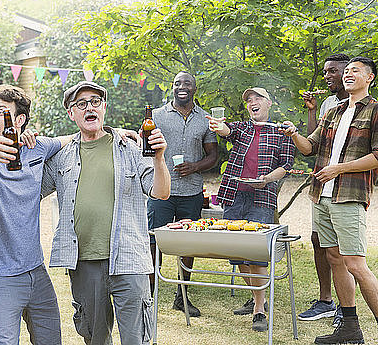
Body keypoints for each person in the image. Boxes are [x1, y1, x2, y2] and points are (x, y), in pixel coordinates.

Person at [41, 81, 171, 344]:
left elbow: (161, 192)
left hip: (130, 259)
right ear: (71, 113)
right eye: (81, 104)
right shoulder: (61, 157)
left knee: (137, 338)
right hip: (83, 261)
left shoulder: (132, 149)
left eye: (95, 102)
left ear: (104, 108)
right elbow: (30, 191)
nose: (89, 108)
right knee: (95, 338)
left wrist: (159, 158)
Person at [0, 84, 73, 345]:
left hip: (36, 271)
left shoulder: (35, 147)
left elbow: (72, 139)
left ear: (19, 120)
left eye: (0, 112)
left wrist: (116, 131)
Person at [282, 57, 378, 344]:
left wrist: (339, 169)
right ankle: (350, 328)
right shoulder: (333, 112)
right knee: (335, 258)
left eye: (355, 71)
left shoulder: (375, 111)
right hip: (321, 196)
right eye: (346, 71)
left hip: (348, 195)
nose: (348, 75)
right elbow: (310, 147)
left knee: (356, 264)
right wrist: (294, 134)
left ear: (370, 78)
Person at [207, 87, 295, 332]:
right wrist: (218, 125)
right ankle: (259, 295)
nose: (252, 103)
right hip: (234, 195)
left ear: (269, 104)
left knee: (256, 254)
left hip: (261, 198)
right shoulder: (243, 127)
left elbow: (286, 165)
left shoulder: (281, 132)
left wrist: (266, 179)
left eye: (257, 99)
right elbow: (226, 130)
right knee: (236, 254)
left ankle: (258, 310)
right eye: (249, 100)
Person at [147, 71, 218, 317]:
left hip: (191, 192)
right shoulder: (156, 116)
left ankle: (182, 295)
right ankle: (150, 295)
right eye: (177, 83)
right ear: (172, 88)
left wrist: (195, 167)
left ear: (194, 89)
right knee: (154, 242)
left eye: (187, 83)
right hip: (161, 193)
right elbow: (144, 151)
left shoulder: (204, 120)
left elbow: (213, 156)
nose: (182, 87)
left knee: (188, 245)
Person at [297, 54, 349, 322]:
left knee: (342, 249)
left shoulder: (362, 106)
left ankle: (345, 306)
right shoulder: (330, 102)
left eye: (333, 71)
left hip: (346, 187)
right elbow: (312, 143)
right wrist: (311, 110)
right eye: (326, 71)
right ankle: (325, 299)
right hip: (322, 185)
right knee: (319, 240)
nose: (327, 76)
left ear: (348, 72)